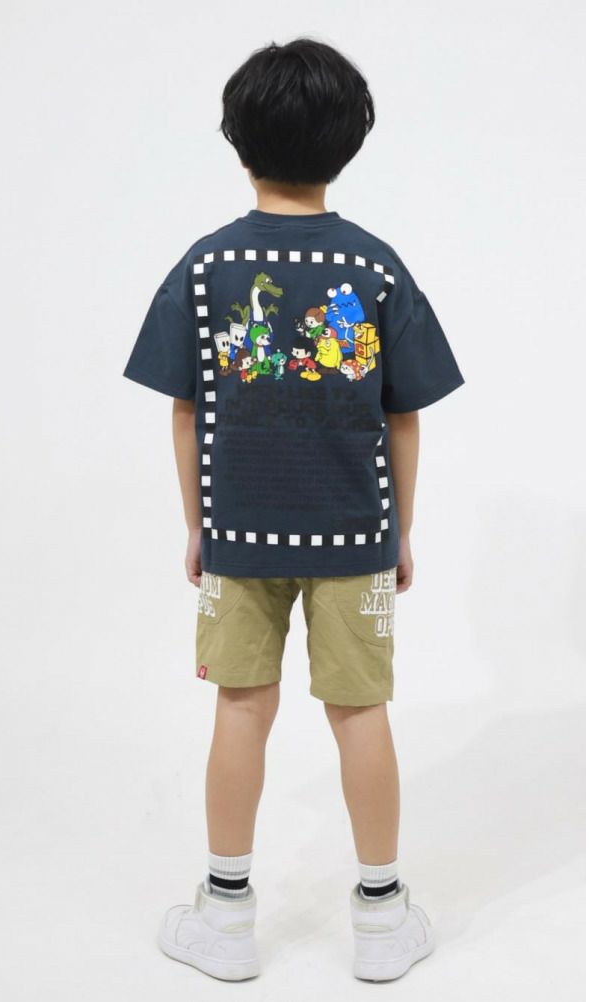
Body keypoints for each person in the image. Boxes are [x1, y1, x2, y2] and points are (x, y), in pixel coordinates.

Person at [122, 36, 464, 982]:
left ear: (238, 142)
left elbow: (186, 412)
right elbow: (402, 416)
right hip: (356, 535)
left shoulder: (206, 268)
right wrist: (397, 531)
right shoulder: (376, 268)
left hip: (238, 534)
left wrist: (200, 525)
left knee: (240, 705)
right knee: (362, 711)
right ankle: (383, 918)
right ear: (349, 143)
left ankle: (226, 915)